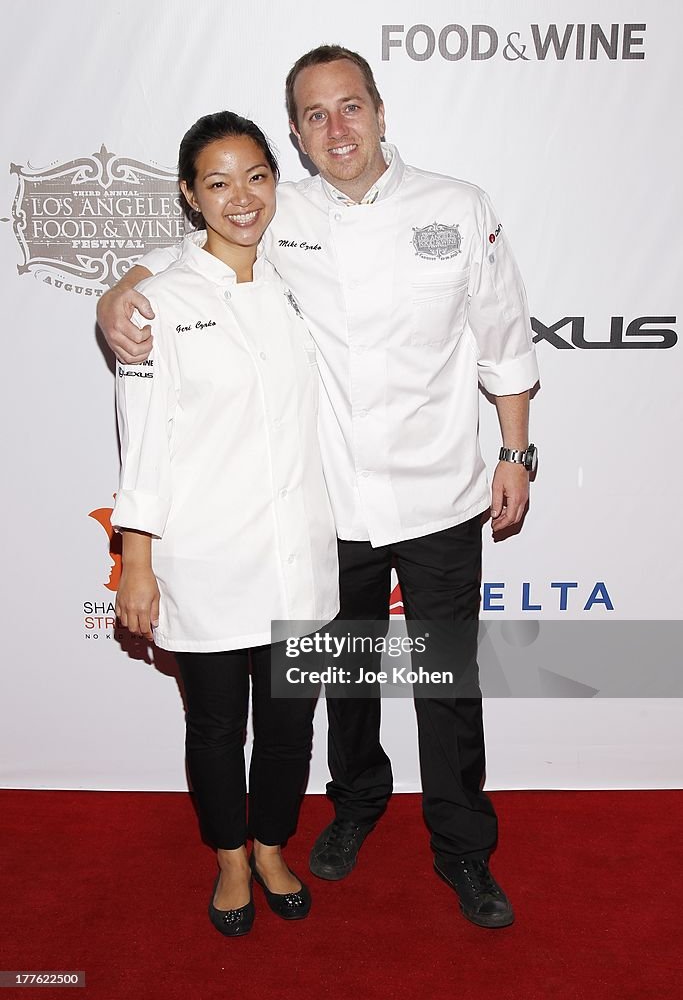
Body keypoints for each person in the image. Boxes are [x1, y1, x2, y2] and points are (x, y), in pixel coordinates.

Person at [99, 46, 540, 930]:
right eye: (313, 115)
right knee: (342, 680)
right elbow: (192, 247)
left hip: (440, 497)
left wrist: (515, 453)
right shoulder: (276, 205)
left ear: (379, 110)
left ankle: (462, 848)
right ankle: (353, 808)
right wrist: (120, 289)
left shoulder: (457, 206)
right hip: (329, 506)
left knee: (446, 684)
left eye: (349, 107)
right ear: (296, 134)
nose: (335, 128)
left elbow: (503, 337)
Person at [111, 110, 339, 937]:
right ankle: (230, 860)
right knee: (215, 729)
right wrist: (137, 563)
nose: (241, 198)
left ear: (276, 183)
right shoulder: (157, 305)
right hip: (202, 557)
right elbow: (142, 447)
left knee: (287, 727)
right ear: (189, 195)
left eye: (256, 177)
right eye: (218, 182)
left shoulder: (298, 279)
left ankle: (273, 843)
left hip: (298, 558)